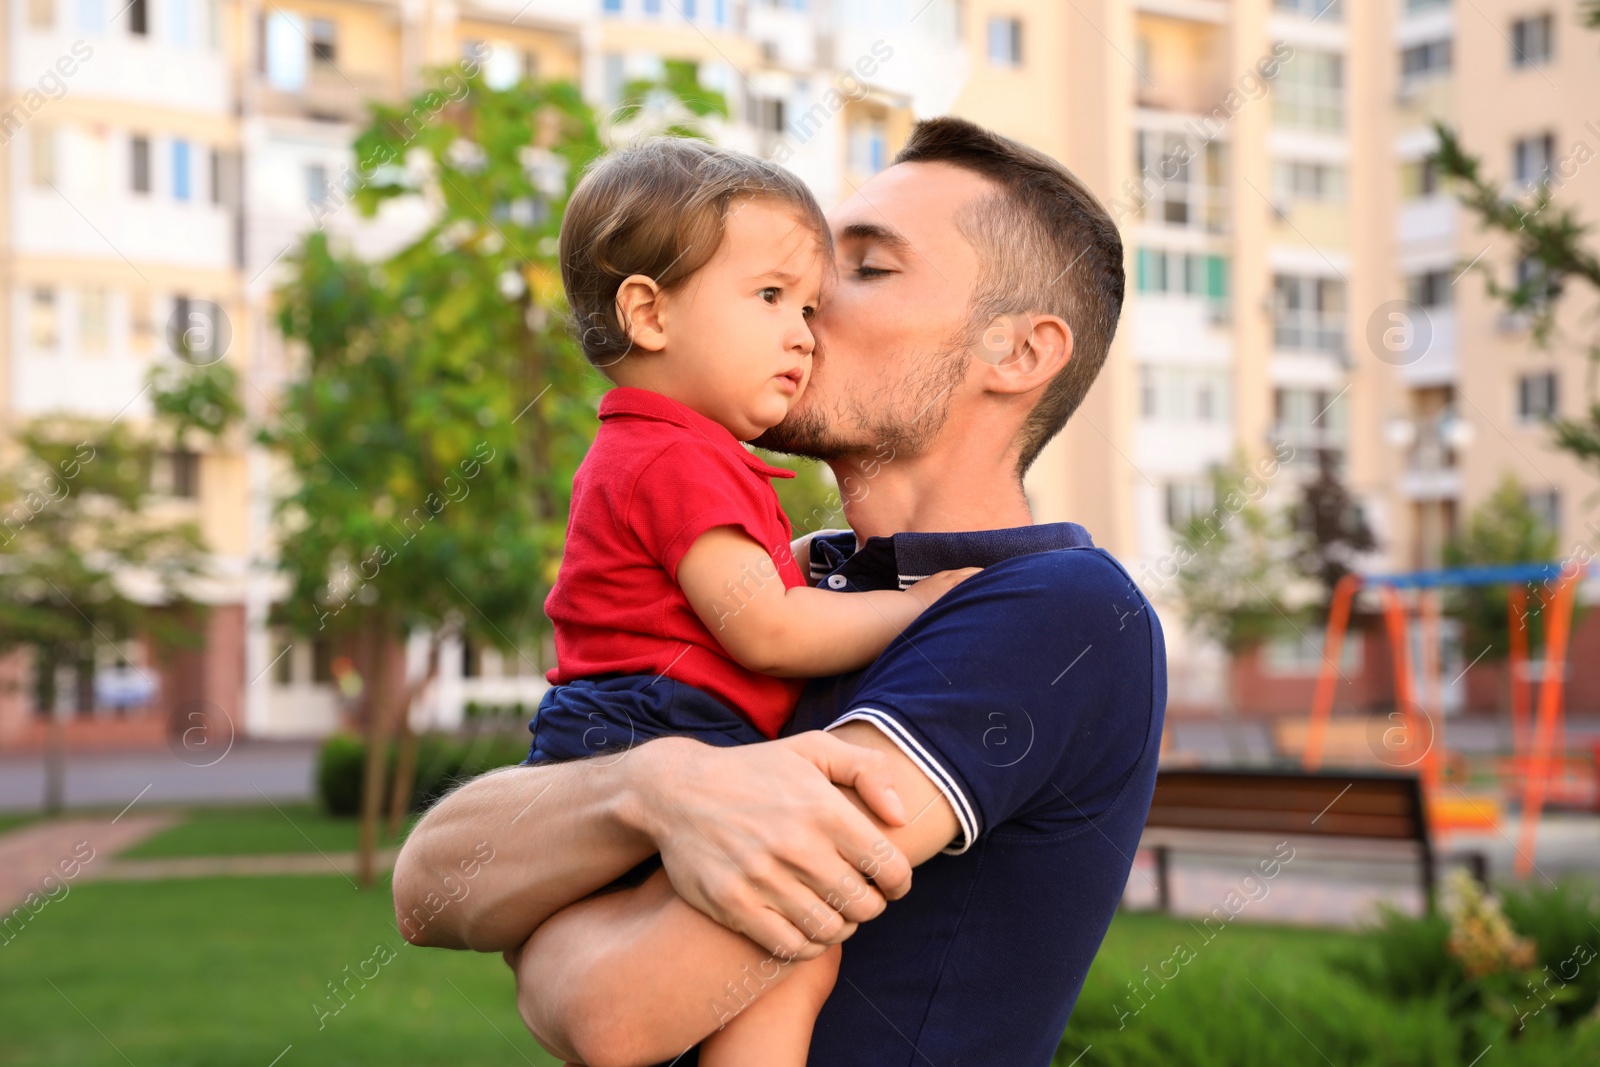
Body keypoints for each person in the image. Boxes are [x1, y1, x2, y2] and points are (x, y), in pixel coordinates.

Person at [394, 116, 1168, 1067]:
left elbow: (613, 1008)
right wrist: (652, 786)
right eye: (786, 284)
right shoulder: (792, 579)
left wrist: (540, 924)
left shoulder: (1058, 613)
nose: (804, 310)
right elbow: (429, 885)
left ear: (1017, 354)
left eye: (866, 271)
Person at [522, 136, 977, 1065]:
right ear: (647, 312)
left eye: (808, 307)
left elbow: (746, 582)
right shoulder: (683, 456)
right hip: (657, 724)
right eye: (771, 297)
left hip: (615, 730)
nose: (805, 332)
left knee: (695, 965)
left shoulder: (654, 449)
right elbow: (767, 626)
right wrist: (928, 605)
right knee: (789, 951)